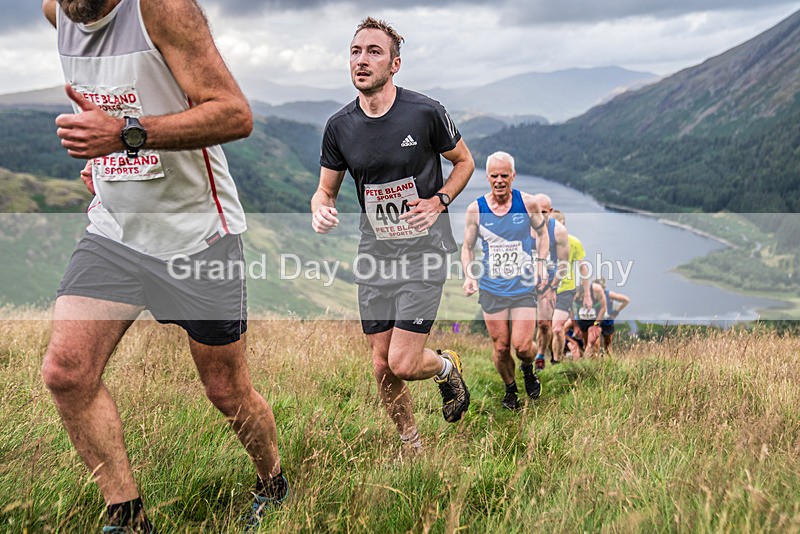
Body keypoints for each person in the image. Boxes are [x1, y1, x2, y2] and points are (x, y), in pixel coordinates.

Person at [41, 1, 286, 531]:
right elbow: (101, 108)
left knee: (227, 391)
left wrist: (125, 135)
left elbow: (235, 113)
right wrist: (101, 158)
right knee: (66, 372)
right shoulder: (57, 11)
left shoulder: (162, 9)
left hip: (196, 236)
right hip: (116, 233)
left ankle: (273, 481)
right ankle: (127, 518)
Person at [311, 18, 475, 450]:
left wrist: (438, 200)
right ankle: (411, 444)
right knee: (381, 366)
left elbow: (464, 163)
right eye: (355, 51)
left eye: (373, 52)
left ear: (395, 64)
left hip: (425, 250)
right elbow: (325, 191)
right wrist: (320, 209)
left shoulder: (425, 112)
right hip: (374, 254)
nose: (361, 60)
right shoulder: (339, 126)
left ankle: (445, 366)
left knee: (402, 362)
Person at [461, 151, 550, 410]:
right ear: (487, 177)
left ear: (513, 175)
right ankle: (511, 389)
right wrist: (469, 275)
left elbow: (543, 234)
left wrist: (541, 265)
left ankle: (527, 368)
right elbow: (467, 247)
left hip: (522, 286)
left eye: (504, 175)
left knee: (522, 346)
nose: (499, 180)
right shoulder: (476, 209)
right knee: (501, 348)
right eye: (494, 176)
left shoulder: (528, 203)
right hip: (492, 287)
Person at [529, 194, 569, 370]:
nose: (539, 214)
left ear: (550, 212)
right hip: (523, 281)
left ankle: (540, 355)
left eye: (543, 212)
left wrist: (552, 287)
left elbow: (564, 263)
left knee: (544, 324)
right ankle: (524, 354)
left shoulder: (558, 230)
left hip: (547, 283)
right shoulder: (521, 227)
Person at [550, 210, 592, 364]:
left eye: (559, 226)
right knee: (546, 328)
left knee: (557, 328)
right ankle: (549, 354)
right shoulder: (543, 242)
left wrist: (587, 294)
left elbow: (583, 269)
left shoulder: (574, 242)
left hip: (566, 290)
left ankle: (556, 361)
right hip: (546, 290)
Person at [595, 278, 631, 354]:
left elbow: (626, 300)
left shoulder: (609, 294)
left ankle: (609, 362)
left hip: (607, 321)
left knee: (607, 346)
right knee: (595, 345)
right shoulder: (591, 295)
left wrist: (616, 312)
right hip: (596, 321)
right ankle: (595, 363)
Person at [573, 280, 608, 358]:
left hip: (595, 320)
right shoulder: (574, 291)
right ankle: (590, 365)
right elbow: (570, 309)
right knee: (587, 345)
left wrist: (596, 324)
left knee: (594, 344)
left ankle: (590, 366)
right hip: (582, 320)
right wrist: (575, 326)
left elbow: (603, 307)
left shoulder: (597, 289)